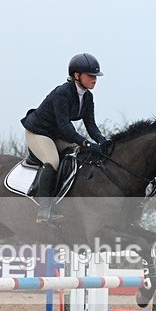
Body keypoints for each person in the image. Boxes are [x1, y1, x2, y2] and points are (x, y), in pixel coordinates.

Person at [21, 53, 108, 223]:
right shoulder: (62, 93)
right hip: (39, 132)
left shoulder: (88, 96)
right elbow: (65, 127)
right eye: (91, 76)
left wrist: (103, 141)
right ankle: (44, 211)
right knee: (52, 161)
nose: (94, 80)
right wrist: (85, 142)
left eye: (95, 76)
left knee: (78, 157)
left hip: (57, 135)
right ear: (77, 75)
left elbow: (91, 125)